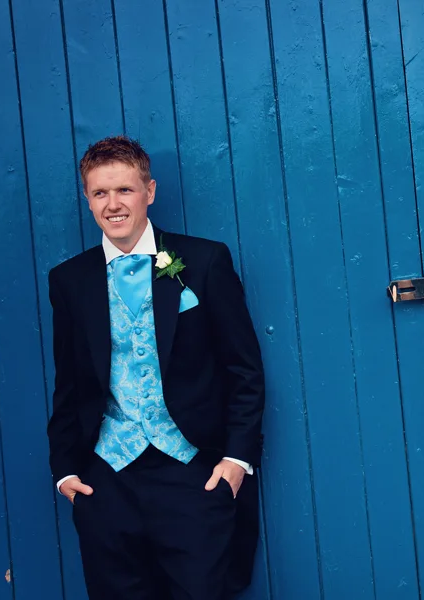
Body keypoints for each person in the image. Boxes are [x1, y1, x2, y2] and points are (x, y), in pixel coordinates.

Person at [47, 136, 265, 599]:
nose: (113, 204)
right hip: (106, 479)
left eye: (124, 190)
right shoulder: (68, 281)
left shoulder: (204, 261)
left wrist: (236, 460)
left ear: (150, 190)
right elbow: (69, 381)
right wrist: (65, 470)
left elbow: (243, 369)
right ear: (86, 199)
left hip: (194, 472)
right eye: (100, 193)